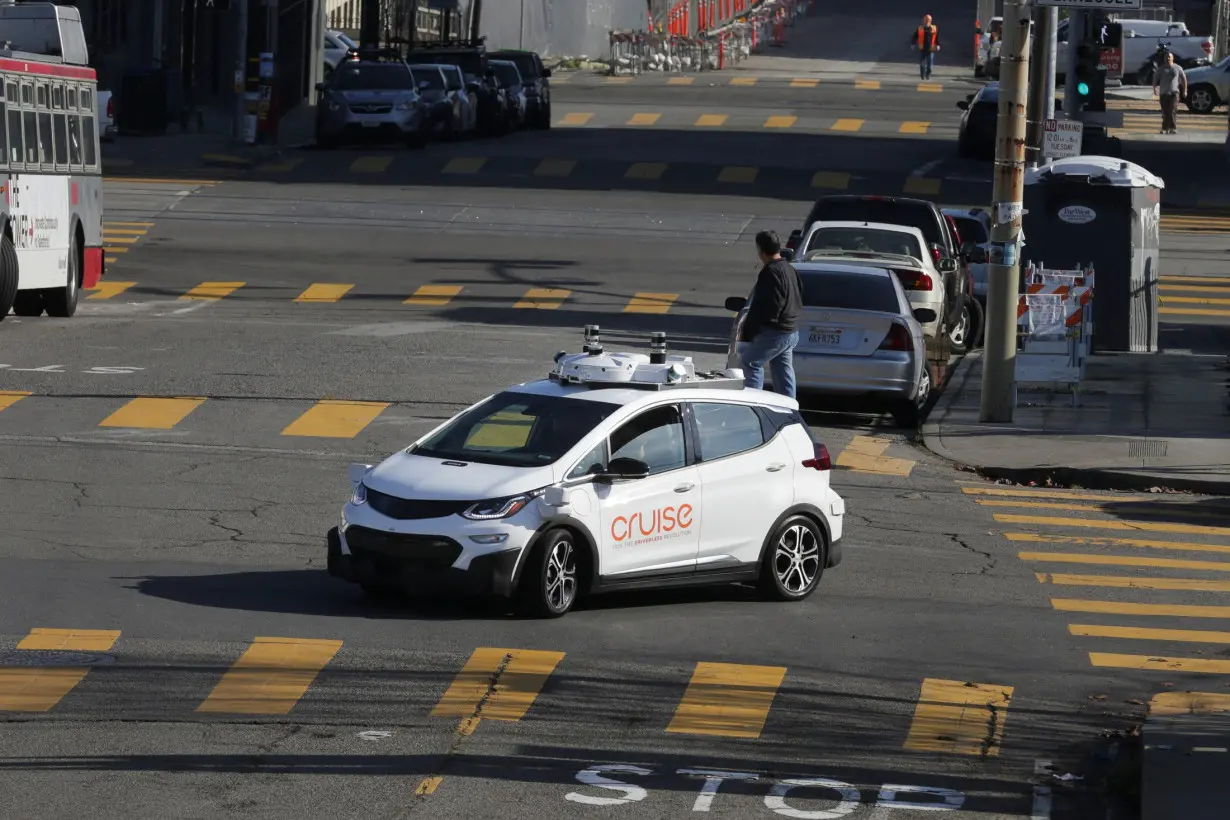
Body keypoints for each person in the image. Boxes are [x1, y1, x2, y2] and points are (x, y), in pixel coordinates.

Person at [739, 230, 802, 398]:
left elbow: (768, 307)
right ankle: (789, 409)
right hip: (791, 331)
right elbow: (798, 296)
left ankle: (753, 405)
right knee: (783, 370)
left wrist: (751, 330)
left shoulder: (770, 272)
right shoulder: (789, 269)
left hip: (775, 332)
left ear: (761, 250)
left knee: (750, 363)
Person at [1153, 50, 1187, 135]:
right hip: (1163, 93)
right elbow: (1155, 79)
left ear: (1172, 58)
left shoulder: (1178, 68)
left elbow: (1184, 79)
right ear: (1164, 59)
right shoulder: (1161, 69)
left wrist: (1185, 90)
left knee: (1172, 110)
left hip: (1174, 93)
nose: (1168, 58)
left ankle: (1173, 128)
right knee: (1165, 112)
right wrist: (1154, 88)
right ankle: (1165, 128)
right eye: (1166, 57)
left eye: (1169, 56)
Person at [912, 15, 940, 80]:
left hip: (931, 49)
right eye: (926, 20)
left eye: (929, 20)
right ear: (924, 21)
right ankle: (922, 74)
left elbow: (936, 37)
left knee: (930, 64)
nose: (927, 22)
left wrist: (938, 45)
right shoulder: (920, 28)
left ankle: (928, 74)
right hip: (922, 49)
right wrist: (913, 43)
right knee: (922, 64)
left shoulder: (934, 28)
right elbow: (915, 36)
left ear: (930, 21)